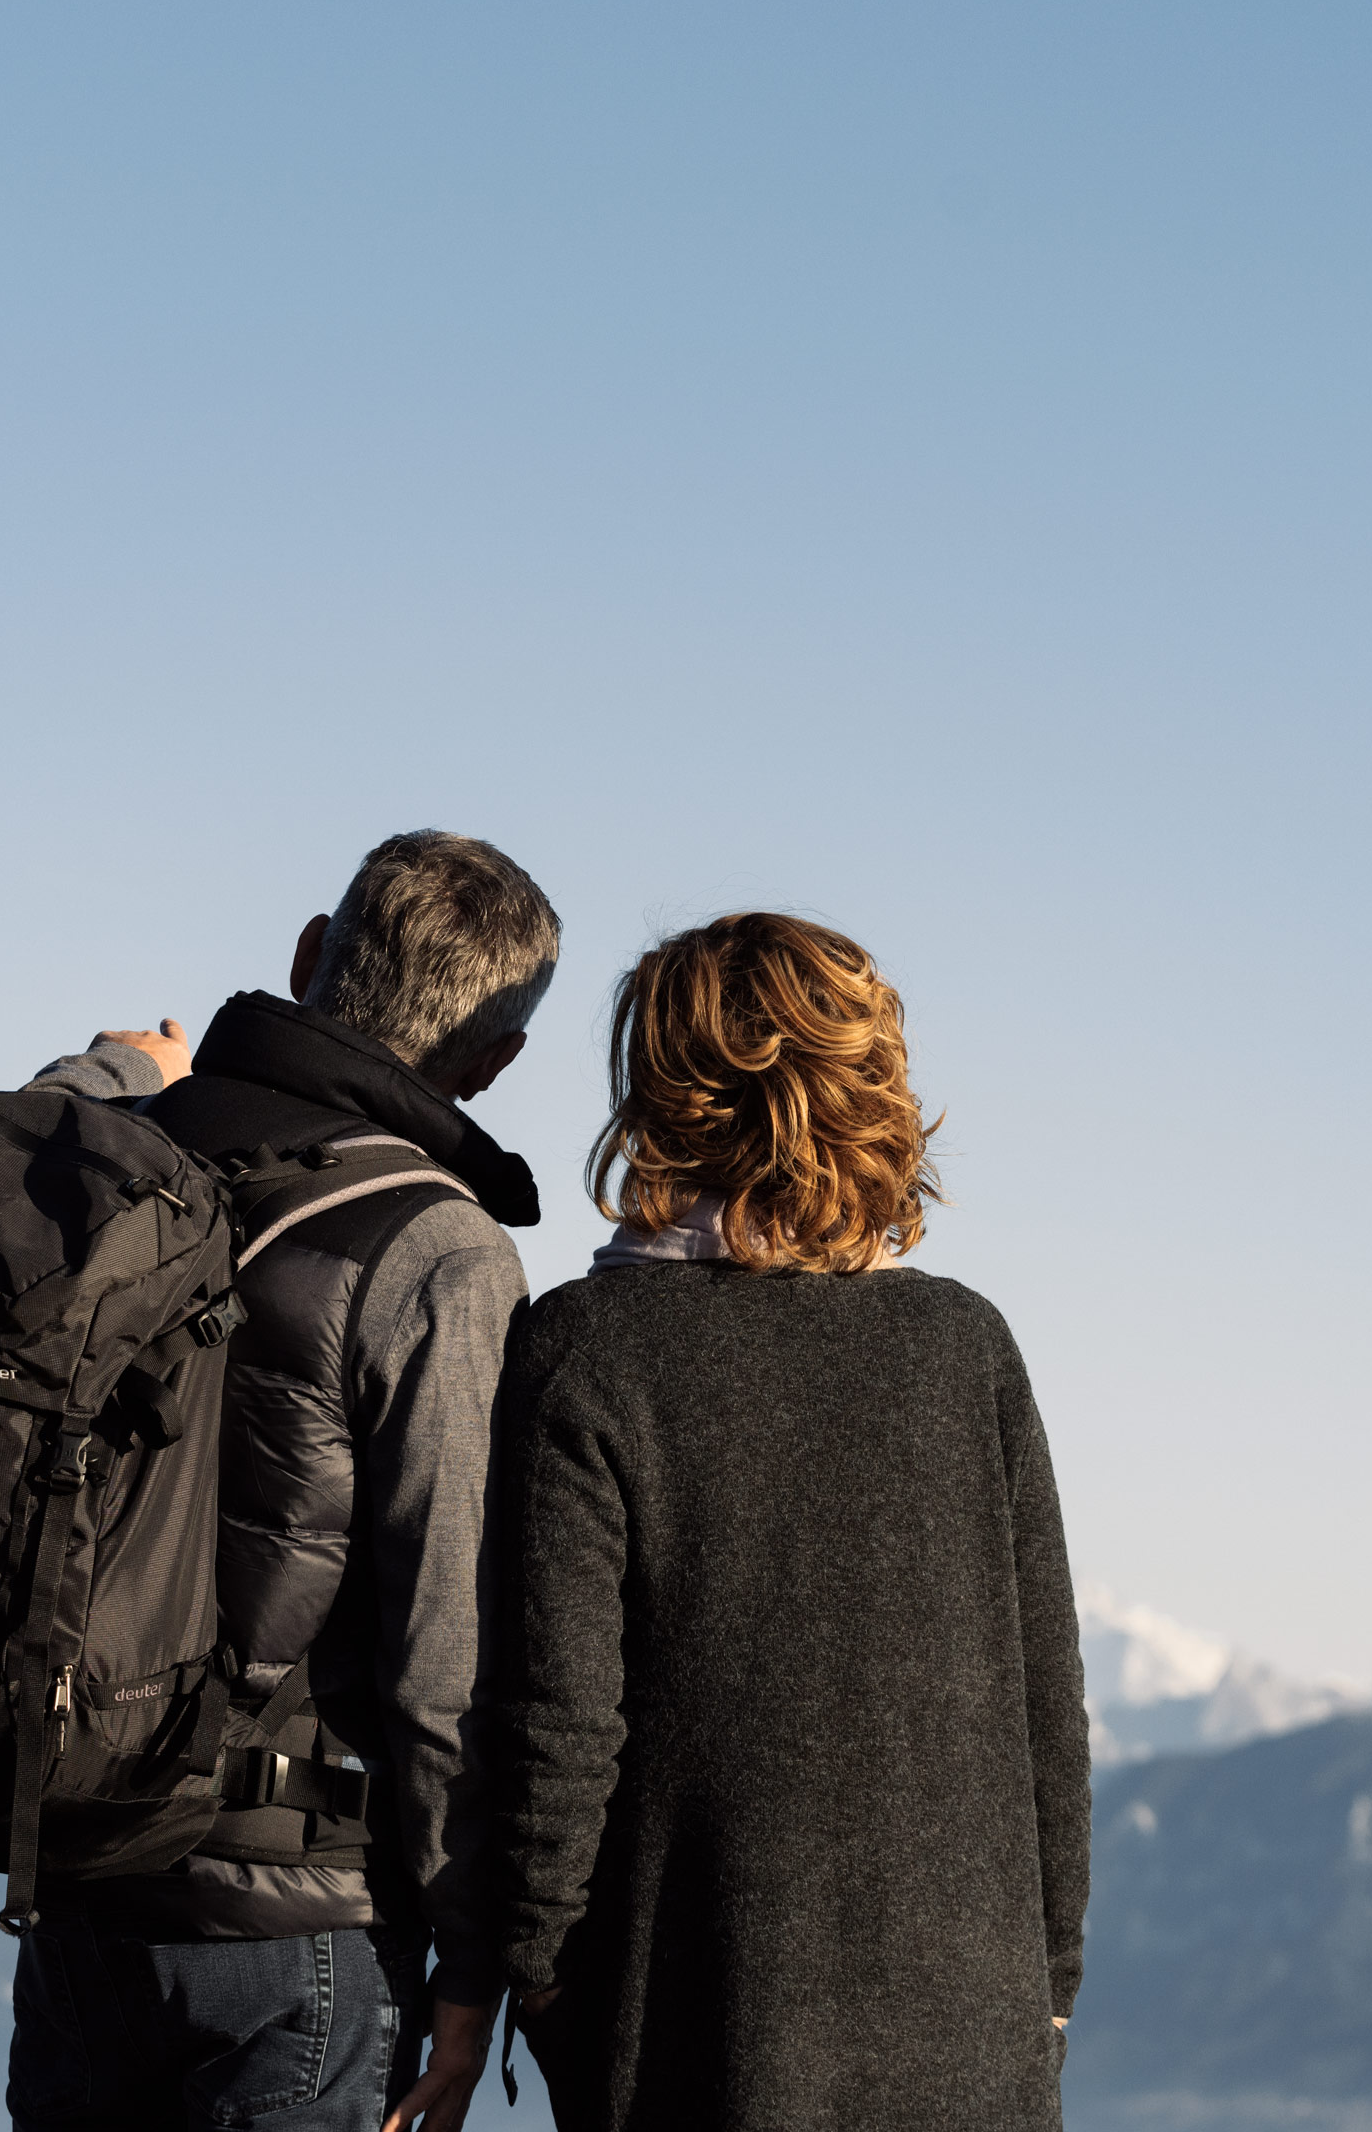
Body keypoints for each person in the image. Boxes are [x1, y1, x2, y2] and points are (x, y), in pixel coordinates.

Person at [481, 912, 1091, 2132]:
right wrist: (1047, 1993)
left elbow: (558, 1724)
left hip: (699, 2037)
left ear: (665, 1090)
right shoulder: (964, 1346)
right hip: (976, 2044)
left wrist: (541, 1971)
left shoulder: (590, 1352)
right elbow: (1047, 1715)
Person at [6, 831, 559, 2132]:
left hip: (80, 1890)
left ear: (312, 952)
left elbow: (13, 1143)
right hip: (301, 1926)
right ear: (496, 1062)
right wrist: (474, 1962)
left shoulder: (112, 1163)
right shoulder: (440, 1250)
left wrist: (114, 1071)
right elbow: (443, 1664)